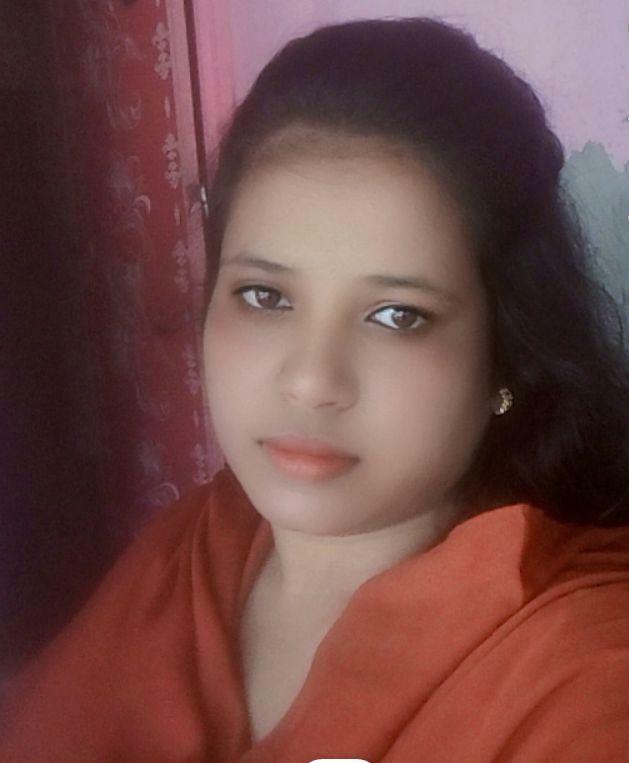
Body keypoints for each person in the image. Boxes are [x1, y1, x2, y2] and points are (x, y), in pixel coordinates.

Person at [2, 15, 629, 763]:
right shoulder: (190, 553)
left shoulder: (577, 672)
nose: (309, 381)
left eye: (396, 315)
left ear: (504, 360)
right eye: (264, 296)